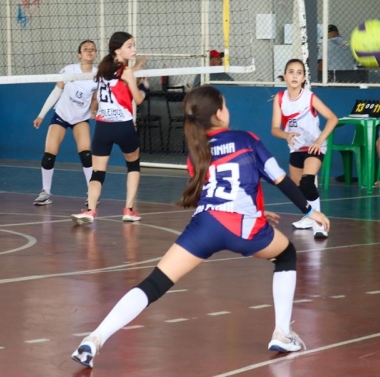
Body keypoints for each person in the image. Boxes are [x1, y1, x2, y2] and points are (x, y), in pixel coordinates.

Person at [71, 85, 330, 368]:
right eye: (226, 106)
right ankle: (282, 332)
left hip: (205, 225)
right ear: (219, 114)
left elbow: (209, 194)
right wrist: (310, 210)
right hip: (244, 227)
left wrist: (255, 209)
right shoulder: (246, 139)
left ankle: (94, 339)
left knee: (155, 283)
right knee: (286, 255)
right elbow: (280, 180)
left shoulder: (195, 151)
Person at [71, 32, 149, 225]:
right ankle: (129, 210)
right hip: (123, 126)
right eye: (130, 46)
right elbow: (137, 99)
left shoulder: (102, 70)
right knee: (133, 165)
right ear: (118, 49)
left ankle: (90, 210)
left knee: (98, 172)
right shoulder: (126, 72)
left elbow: (107, 89)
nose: (134, 49)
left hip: (103, 128)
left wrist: (137, 67)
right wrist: (145, 87)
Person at [271, 58, 337, 238]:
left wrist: (319, 141)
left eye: (299, 72)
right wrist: (286, 135)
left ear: (303, 78)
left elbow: (333, 119)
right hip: (296, 148)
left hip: (314, 147)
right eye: (291, 71)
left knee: (308, 181)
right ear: (284, 76)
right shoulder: (279, 98)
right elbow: (275, 129)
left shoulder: (310, 98)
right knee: (298, 188)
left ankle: (319, 222)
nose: (294, 75)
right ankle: (309, 217)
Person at [31, 40, 99, 206]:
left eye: (92, 49)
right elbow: (56, 91)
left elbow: (96, 97)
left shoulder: (98, 74)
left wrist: (93, 110)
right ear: (79, 55)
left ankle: (92, 194)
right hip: (61, 115)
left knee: (86, 153)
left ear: (96, 54)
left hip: (80, 118)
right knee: (49, 155)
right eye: (85, 49)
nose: (89, 51)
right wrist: (41, 115)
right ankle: (46, 192)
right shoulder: (69, 70)